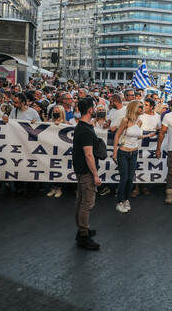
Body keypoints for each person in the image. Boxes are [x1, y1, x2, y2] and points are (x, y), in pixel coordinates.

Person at [113, 101, 155, 213]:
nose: (142, 108)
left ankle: (126, 200)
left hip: (134, 153)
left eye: (142, 107)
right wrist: (114, 152)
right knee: (124, 179)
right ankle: (119, 202)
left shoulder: (139, 122)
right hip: (123, 152)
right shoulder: (125, 120)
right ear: (134, 108)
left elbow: (136, 136)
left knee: (130, 179)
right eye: (140, 107)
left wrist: (147, 135)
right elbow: (117, 135)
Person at [73, 97, 102, 250]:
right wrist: (95, 175)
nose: (96, 109)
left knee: (81, 200)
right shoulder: (85, 129)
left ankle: (82, 229)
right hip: (86, 172)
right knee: (87, 203)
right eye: (95, 107)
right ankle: (83, 236)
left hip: (80, 170)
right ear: (90, 110)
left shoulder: (82, 127)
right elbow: (89, 155)